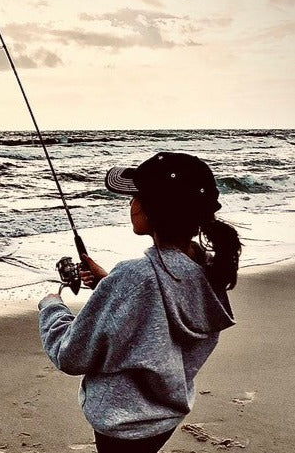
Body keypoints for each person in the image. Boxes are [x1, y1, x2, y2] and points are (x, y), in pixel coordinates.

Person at [38, 152, 241, 453]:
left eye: (135, 197)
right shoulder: (206, 267)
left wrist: (52, 306)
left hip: (122, 424)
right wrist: (108, 284)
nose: (131, 204)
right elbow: (161, 308)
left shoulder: (135, 277)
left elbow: (70, 355)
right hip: (165, 417)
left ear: (151, 209)